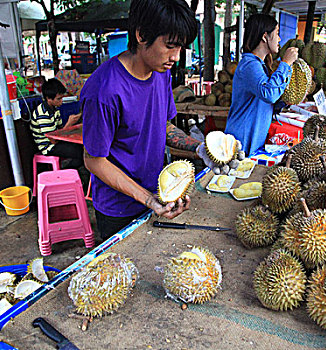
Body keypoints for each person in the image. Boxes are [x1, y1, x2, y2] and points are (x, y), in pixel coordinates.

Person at [81, 0, 203, 240]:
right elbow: (93, 160)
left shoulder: (161, 72)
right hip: (118, 209)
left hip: (157, 193)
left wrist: (198, 148)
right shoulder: (104, 91)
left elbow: (161, 125)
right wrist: (148, 199)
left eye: (180, 48)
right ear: (141, 35)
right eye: (170, 46)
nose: (176, 57)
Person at [224, 14, 298, 156]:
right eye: (277, 33)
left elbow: (266, 101)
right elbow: (268, 94)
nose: (279, 39)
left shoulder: (260, 65)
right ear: (265, 37)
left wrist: (286, 101)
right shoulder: (249, 64)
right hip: (241, 140)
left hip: (253, 139)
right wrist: (286, 63)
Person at [30, 78, 83, 168]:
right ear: (48, 98)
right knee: (81, 153)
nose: (61, 101)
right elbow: (53, 140)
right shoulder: (43, 114)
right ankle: (64, 170)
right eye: (59, 99)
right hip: (48, 147)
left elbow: (60, 130)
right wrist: (69, 123)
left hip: (57, 142)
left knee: (83, 148)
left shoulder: (55, 109)